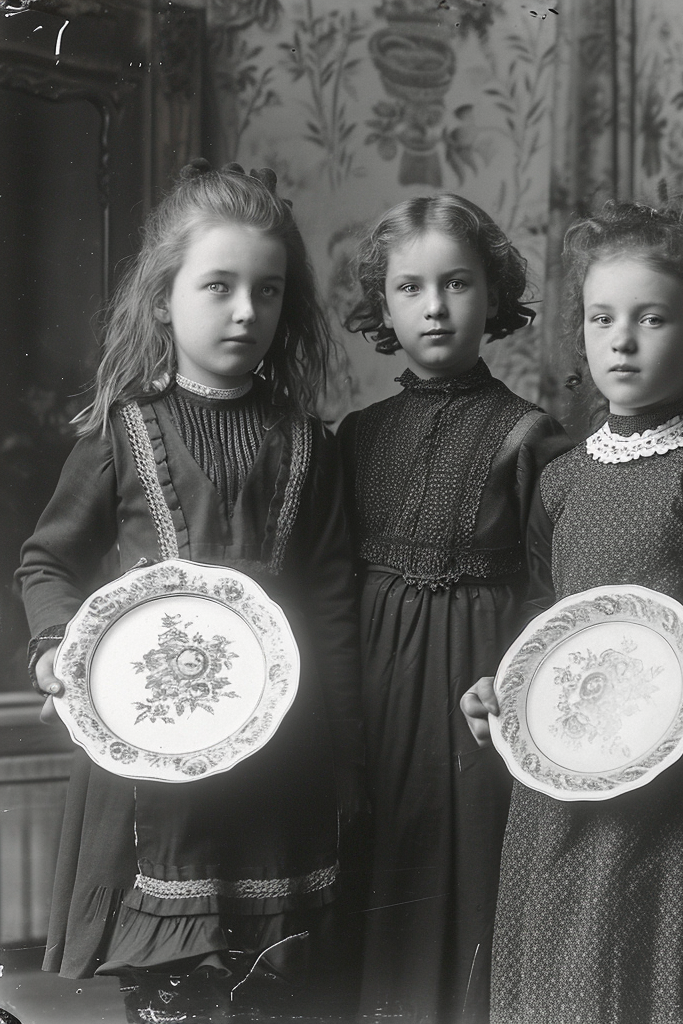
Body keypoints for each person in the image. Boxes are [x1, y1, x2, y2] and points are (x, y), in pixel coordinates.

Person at [18, 160, 363, 1022]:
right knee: (175, 987)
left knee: (273, 986)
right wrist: (59, 647)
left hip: (284, 760)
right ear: (163, 297)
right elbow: (47, 562)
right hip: (158, 764)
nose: (247, 311)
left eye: (270, 291)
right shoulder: (121, 433)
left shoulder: (310, 445)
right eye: (219, 286)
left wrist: (347, 749)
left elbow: (328, 601)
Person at [462, 199, 683, 1024]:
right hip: (562, 775)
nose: (623, 339)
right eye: (602, 318)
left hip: (674, 776)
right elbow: (545, 610)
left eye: (652, 319)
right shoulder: (562, 477)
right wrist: (501, 690)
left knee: (651, 962)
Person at [340, 193, 567, 1024]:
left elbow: (555, 592)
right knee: (377, 872)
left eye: (458, 284)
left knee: (470, 874)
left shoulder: (532, 436)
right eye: (410, 288)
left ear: (494, 297)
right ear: (384, 306)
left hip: (478, 697)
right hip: (375, 691)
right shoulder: (356, 437)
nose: (435, 308)